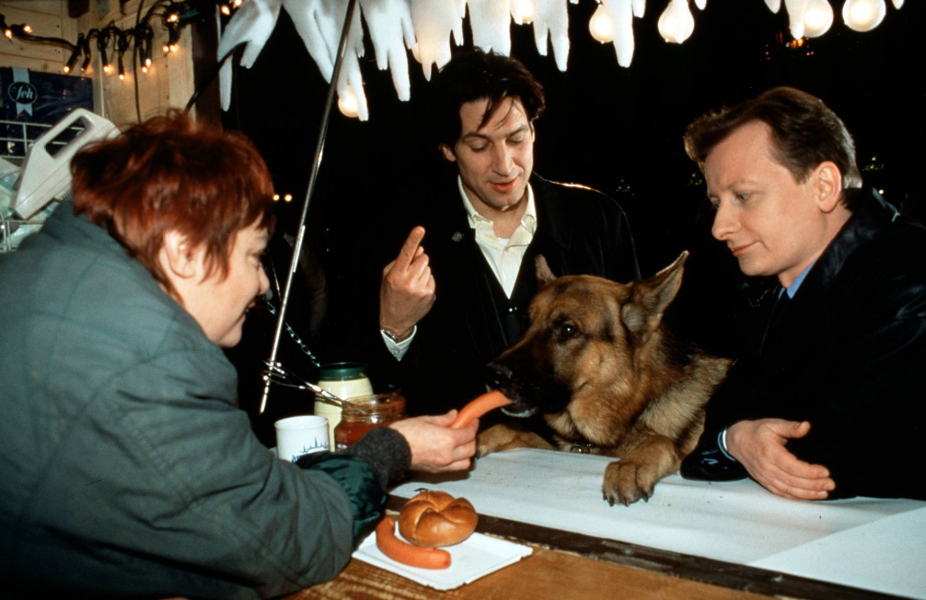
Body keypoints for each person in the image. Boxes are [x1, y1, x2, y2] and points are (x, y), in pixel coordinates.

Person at [0, 113, 477, 599]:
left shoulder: (32, 278)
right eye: (252, 256)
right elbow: (287, 543)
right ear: (183, 251)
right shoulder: (153, 360)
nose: (263, 283)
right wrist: (393, 449)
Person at [679, 87, 926, 501]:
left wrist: (736, 436)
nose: (720, 228)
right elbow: (729, 407)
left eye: (743, 196)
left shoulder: (911, 277)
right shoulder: (793, 286)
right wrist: (736, 437)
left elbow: (845, 450)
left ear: (823, 186)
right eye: (718, 202)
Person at [376, 49, 640, 415]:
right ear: (448, 150)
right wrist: (395, 327)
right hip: (461, 446)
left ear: (533, 131)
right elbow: (369, 388)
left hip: (577, 446)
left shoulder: (597, 219)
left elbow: (638, 350)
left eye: (516, 140)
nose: (504, 165)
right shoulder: (408, 238)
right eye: (480, 146)